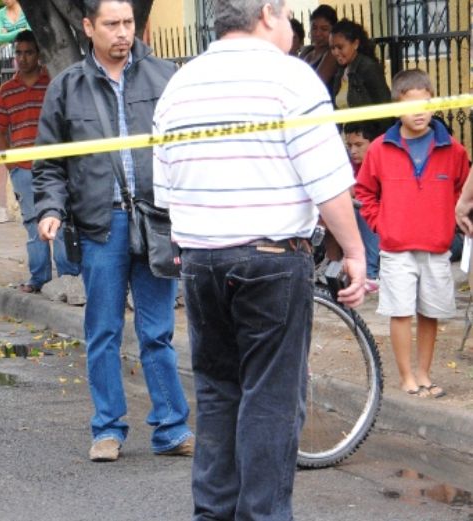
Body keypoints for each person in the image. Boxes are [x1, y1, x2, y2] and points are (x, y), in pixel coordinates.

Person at [152, 1, 366, 518]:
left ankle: (214, 512)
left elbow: (165, 189)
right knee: (270, 398)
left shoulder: (180, 84)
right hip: (271, 258)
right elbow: (328, 179)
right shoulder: (292, 78)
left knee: (219, 392)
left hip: (201, 258)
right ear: (267, 13)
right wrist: (355, 251)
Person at [34, 0, 193, 462]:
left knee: (157, 332)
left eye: (128, 23)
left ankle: (171, 428)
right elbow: (49, 165)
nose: (122, 33)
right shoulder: (67, 87)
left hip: (157, 221)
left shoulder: (166, 77)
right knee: (102, 330)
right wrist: (50, 209)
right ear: (88, 27)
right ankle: (107, 428)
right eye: (111, 24)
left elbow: (186, 150)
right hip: (100, 225)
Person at [356, 69, 469, 399]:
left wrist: (451, 221)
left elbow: (465, 191)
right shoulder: (380, 148)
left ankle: (424, 373)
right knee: (401, 311)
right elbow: (364, 192)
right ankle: (406, 375)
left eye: (426, 103)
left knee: (431, 312)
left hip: (436, 246)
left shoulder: (453, 150)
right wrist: (382, 224)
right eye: (411, 104)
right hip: (396, 247)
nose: (419, 112)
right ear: (396, 107)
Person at [0, 30, 83, 304]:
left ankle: (67, 275)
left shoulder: (52, 84)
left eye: (28, 52)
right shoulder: (7, 91)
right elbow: (0, 130)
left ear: (39, 54)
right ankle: (39, 278)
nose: (22, 58)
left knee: (61, 219)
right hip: (23, 168)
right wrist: (9, 164)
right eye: (18, 53)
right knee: (33, 223)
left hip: (55, 167)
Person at [344, 120, 382, 290]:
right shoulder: (350, 164)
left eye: (359, 145)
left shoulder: (383, 161)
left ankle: (371, 274)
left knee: (363, 209)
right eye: (350, 145)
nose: (353, 151)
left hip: (385, 220)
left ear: (373, 143)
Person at [330, 19, 390, 110]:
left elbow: (384, 106)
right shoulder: (340, 71)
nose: (335, 52)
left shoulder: (369, 68)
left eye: (340, 47)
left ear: (355, 44)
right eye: (332, 48)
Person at [298, 4, 338, 94]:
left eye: (324, 29)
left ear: (333, 31)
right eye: (314, 28)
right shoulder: (306, 52)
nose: (318, 33)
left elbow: (316, 85)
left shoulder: (332, 54)